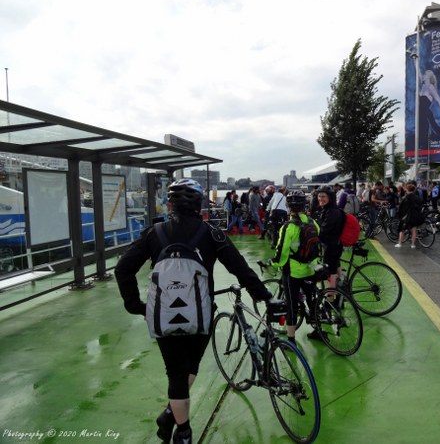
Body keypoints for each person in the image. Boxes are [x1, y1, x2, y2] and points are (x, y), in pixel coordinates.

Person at [114, 179, 274, 444]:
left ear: (171, 204)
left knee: (176, 373)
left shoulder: (154, 233)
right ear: (199, 204)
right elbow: (240, 268)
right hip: (201, 315)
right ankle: (176, 422)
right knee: (190, 367)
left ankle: (181, 429)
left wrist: (139, 307)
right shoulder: (211, 233)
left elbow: (123, 269)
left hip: (164, 315)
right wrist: (263, 294)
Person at [269, 190, 320, 343]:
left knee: (291, 306)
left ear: (289, 207)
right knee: (312, 301)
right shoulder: (313, 222)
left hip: (293, 273)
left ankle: (291, 340)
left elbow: (281, 252)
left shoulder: (288, 227)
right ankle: (319, 330)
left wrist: (272, 263)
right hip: (311, 269)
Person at [315, 185, 344, 289]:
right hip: (333, 245)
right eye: (319, 196)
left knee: (331, 273)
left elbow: (323, 230)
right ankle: (342, 289)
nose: (320, 199)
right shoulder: (328, 209)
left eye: (323, 196)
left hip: (332, 246)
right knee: (335, 267)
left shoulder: (332, 212)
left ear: (330, 198)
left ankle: (331, 298)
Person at [395, 182, 423, 249]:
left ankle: (400, 243)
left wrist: (399, 215)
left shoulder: (406, 197)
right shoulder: (417, 197)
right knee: (414, 230)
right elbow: (420, 207)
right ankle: (413, 244)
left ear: (407, 190)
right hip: (415, 216)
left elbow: (401, 208)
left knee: (402, 230)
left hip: (407, 216)